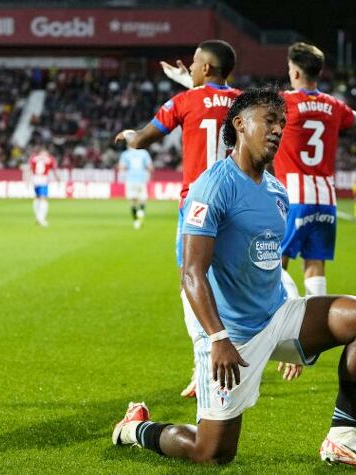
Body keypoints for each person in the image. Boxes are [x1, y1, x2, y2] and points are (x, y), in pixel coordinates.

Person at [112, 88, 356, 468]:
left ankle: (342, 438)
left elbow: (271, 264)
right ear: (240, 125)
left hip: (277, 318)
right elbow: (191, 274)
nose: (277, 129)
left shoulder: (277, 191)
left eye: (281, 122)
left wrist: (294, 318)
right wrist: (218, 339)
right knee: (211, 454)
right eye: (269, 120)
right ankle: (134, 428)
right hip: (232, 335)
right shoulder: (213, 187)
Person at [114, 40, 242, 398]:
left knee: (192, 279)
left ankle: (204, 361)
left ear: (204, 68)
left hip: (199, 204)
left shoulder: (184, 101)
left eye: (195, 62)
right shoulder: (245, 100)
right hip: (239, 201)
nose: (191, 65)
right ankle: (257, 350)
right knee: (234, 280)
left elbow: (141, 141)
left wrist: (129, 136)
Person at [275, 42, 356, 298]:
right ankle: (317, 326)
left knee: (276, 261)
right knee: (315, 265)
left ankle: (292, 314)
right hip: (326, 199)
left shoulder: (284, 101)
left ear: (295, 73)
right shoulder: (334, 105)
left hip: (293, 196)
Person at [118, 142, 154, 229]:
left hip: (130, 180)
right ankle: (141, 213)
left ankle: (135, 221)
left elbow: (121, 168)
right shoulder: (144, 153)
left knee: (132, 201)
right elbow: (150, 167)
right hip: (141, 180)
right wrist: (150, 176)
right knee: (142, 200)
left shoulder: (125, 154)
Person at [28, 146, 59, 227]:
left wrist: (27, 180)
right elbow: (54, 170)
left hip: (35, 179)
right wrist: (58, 179)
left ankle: (37, 217)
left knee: (37, 197)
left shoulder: (34, 158)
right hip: (43, 179)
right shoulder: (49, 159)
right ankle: (41, 219)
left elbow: (29, 169)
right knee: (43, 198)